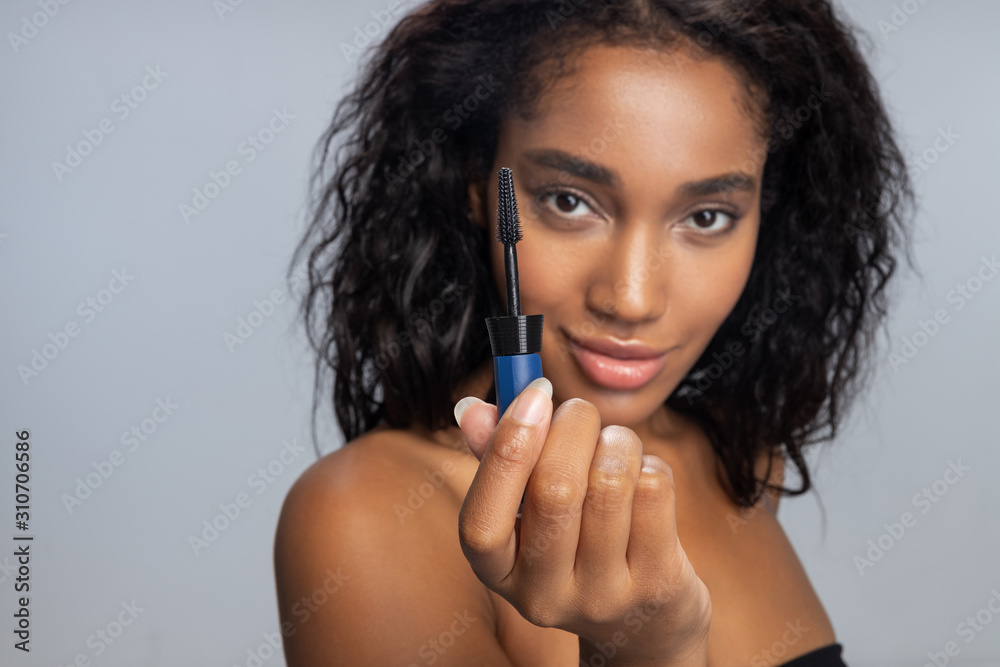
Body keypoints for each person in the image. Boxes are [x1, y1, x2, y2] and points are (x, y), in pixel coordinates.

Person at [274, 0, 915, 664]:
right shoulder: (364, 517)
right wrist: (646, 653)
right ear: (475, 180)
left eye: (708, 216)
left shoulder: (743, 460)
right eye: (570, 201)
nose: (631, 298)